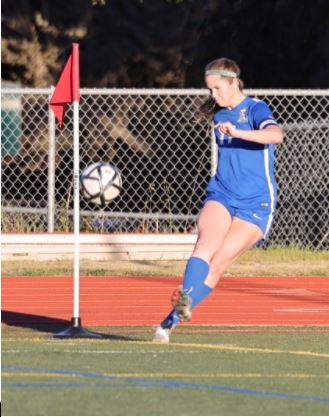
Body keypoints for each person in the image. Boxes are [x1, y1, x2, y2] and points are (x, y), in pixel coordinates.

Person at [153, 57, 284, 343]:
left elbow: (276, 135)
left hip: (256, 202)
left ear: (234, 82)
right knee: (206, 244)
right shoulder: (219, 114)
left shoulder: (255, 109)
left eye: (218, 89)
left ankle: (169, 322)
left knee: (220, 262)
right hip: (222, 193)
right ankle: (185, 299)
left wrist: (239, 133)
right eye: (210, 90)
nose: (214, 95)